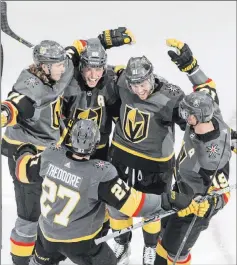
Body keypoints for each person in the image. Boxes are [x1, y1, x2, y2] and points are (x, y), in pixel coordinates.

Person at [13, 119, 209, 265]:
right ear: (95, 143)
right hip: (81, 243)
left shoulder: (50, 155)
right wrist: (170, 199)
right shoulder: (100, 172)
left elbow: (22, 172)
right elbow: (135, 204)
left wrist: (25, 150)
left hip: (46, 237)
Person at [154, 39, 232, 265]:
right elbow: (205, 86)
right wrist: (190, 64)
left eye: (189, 114)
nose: (185, 116)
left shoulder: (212, 156)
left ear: (200, 116)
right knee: (163, 238)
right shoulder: (210, 110)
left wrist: (208, 204)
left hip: (194, 209)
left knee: (175, 255)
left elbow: (223, 191)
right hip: (182, 191)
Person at [106, 54, 187, 265]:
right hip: (121, 157)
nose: (139, 91)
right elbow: (103, 72)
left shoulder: (172, 96)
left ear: (151, 77)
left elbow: (193, 123)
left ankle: (150, 247)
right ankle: (122, 244)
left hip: (155, 165)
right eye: (135, 86)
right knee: (117, 203)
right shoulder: (123, 81)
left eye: (143, 84)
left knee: (153, 209)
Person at [63, 27, 135, 161]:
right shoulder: (68, 81)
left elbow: (119, 117)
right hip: (68, 149)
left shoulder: (110, 83)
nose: (93, 76)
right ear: (80, 66)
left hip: (100, 149)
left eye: (98, 69)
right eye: (88, 69)